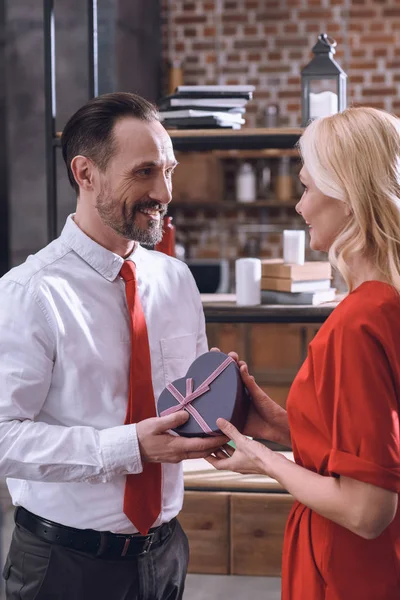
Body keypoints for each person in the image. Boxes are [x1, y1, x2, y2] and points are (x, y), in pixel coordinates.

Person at [0, 92, 226, 600]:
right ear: (85, 173)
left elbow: (184, 406)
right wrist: (128, 447)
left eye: (169, 170)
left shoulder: (177, 281)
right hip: (65, 567)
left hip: (166, 554)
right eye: (144, 172)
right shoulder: (29, 292)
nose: (164, 191)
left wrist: (222, 410)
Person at [208, 107, 400, 600]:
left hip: (351, 575)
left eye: (308, 187)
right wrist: (278, 429)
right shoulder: (385, 306)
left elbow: (367, 510)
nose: (300, 206)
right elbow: (373, 452)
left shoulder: (357, 322)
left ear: (350, 197)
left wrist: (265, 461)